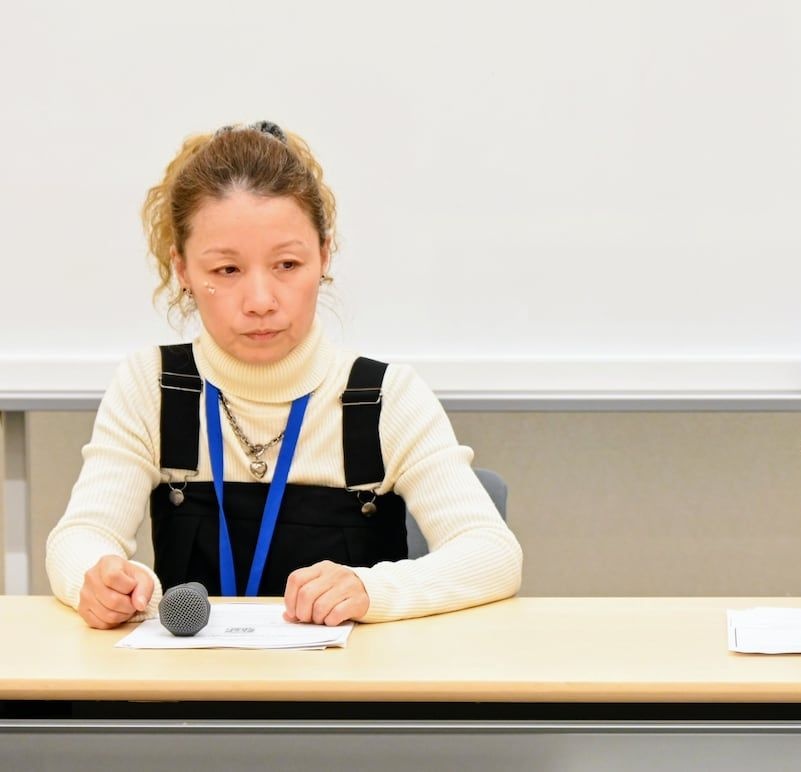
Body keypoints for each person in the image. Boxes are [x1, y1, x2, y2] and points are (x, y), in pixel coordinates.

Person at [46, 121, 522, 629]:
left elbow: (491, 553)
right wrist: (99, 579)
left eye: (288, 265)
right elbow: (78, 537)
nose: (260, 301)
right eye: (227, 270)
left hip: (351, 679)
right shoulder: (154, 387)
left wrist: (371, 589)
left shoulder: (386, 398)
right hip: (195, 678)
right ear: (183, 270)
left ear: (324, 255)